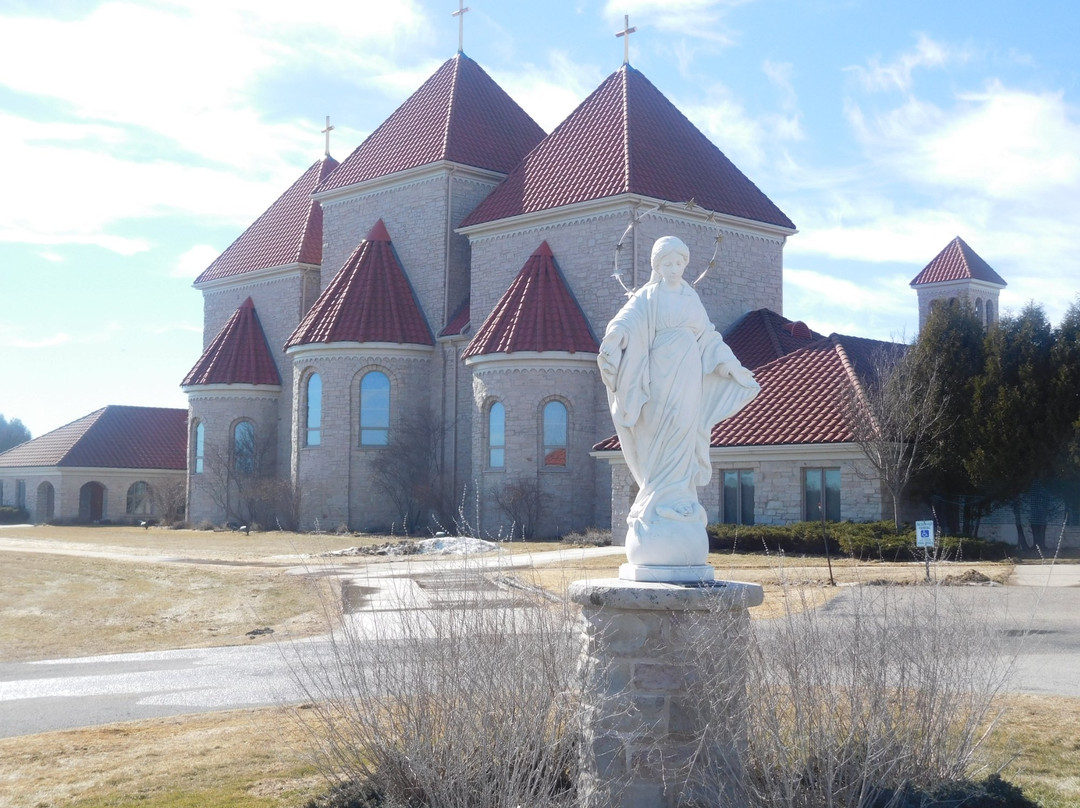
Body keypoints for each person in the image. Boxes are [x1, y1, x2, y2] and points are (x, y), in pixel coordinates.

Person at [598, 236, 759, 576]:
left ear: (685, 265)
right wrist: (614, 340)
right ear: (657, 266)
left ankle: (680, 504)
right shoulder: (648, 296)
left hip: (688, 377)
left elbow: (708, 337)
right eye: (667, 264)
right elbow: (626, 321)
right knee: (658, 436)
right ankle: (656, 505)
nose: (673, 270)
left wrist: (730, 365)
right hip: (658, 376)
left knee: (685, 433)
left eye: (678, 264)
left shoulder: (690, 297)